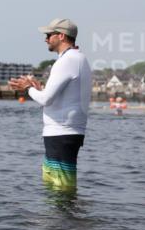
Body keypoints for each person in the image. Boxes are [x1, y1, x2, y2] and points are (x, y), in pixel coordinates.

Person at [10, 18, 92, 190]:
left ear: (61, 36)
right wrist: (39, 89)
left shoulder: (67, 60)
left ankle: (66, 218)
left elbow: (46, 100)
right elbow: (58, 98)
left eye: (49, 35)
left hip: (61, 133)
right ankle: (64, 217)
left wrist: (28, 88)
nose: (45, 39)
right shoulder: (79, 58)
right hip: (66, 132)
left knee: (61, 190)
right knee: (55, 188)